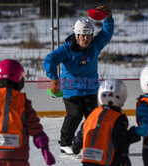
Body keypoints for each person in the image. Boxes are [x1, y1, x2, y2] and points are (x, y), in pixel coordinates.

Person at [43, 5, 114, 154]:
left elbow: (106, 34)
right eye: (82, 35)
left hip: (90, 88)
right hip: (71, 88)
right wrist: (54, 79)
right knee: (75, 114)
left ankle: (93, 142)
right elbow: (49, 60)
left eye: (89, 35)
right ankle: (65, 143)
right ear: (76, 35)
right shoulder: (67, 49)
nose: (86, 38)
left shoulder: (95, 45)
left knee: (93, 117)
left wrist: (108, 18)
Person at [71, 79, 141, 166]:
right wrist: (133, 134)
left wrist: (76, 145)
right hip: (106, 161)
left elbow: (83, 131)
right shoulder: (118, 118)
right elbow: (120, 140)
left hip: (88, 160)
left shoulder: (93, 114)